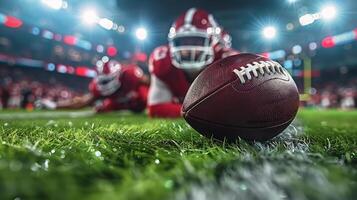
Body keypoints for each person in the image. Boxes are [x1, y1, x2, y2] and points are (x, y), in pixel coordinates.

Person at [148, 8, 238, 118]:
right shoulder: (163, 61)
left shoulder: (227, 61)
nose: (190, 48)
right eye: (183, 41)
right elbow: (157, 108)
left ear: (214, 42)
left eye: (197, 41)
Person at [38, 59, 149, 113]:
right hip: (118, 104)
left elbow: (151, 83)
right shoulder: (98, 88)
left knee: (144, 96)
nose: (106, 84)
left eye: (108, 80)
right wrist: (54, 105)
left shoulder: (130, 74)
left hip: (141, 101)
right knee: (100, 109)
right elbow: (82, 102)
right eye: (103, 81)